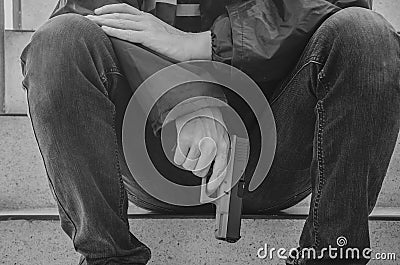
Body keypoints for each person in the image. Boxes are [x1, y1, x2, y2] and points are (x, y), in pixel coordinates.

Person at [20, 0, 399, 264]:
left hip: (276, 148)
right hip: (151, 152)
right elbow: (87, 10)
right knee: (60, 39)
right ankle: (108, 258)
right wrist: (188, 99)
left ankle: (330, 255)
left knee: (365, 34)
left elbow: (339, 1)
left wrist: (205, 45)